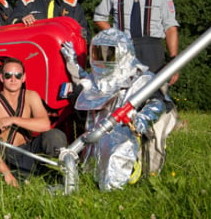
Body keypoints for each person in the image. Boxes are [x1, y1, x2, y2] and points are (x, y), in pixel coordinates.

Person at [61, 29, 178, 190]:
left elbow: (157, 103)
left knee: (117, 155)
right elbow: (87, 84)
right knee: (93, 161)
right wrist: (72, 61)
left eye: (108, 54)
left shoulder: (141, 78)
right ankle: (92, 178)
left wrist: (142, 119)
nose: (102, 59)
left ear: (122, 54)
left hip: (126, 132)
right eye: (98, 53)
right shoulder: (98, 79)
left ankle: (123, 181)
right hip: (97, 134)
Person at [93, 0, 179, 84]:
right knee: (119, 92)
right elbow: (99, 18)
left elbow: (170, 27)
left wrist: (174, 61)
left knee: (154, 93)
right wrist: (115, 35)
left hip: (152, 47)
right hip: (123, 47)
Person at [0, 58, 67, 187]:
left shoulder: (31, 96)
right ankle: (30, 178)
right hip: (9, 157)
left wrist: (14, 120)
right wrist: (6, 175)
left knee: (55, 135)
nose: (13, 79)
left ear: (24, 77)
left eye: (18, 75)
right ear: (1, 78)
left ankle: (57, 176)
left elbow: (45, 125)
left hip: (29, 151)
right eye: (8, 75)